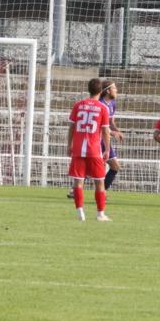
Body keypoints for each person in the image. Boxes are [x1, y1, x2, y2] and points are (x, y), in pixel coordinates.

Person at [69, 78, 112, 222]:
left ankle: (80, 211)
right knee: (99, 182)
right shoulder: (102, 108)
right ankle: (100, 214)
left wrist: (69, 144)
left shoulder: (78, 105)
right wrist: (106, 149)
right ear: (101, 91)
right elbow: (105, 131)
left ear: (89, 89)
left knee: (78, 181)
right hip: (94, 150)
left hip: (78, 148)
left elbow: (71, 127)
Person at [100, 81, 124, 190]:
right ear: (108, 90)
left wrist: (117, 131)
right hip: (97, 139)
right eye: (114, 88)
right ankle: (75, 188)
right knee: (95, 165)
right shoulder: (100, 105)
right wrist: (112, 132)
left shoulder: (112, 103)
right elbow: (100, 126)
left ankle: (102, 191)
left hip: (105, 139)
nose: (116, 90)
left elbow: (110, 122)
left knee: (115, 167)